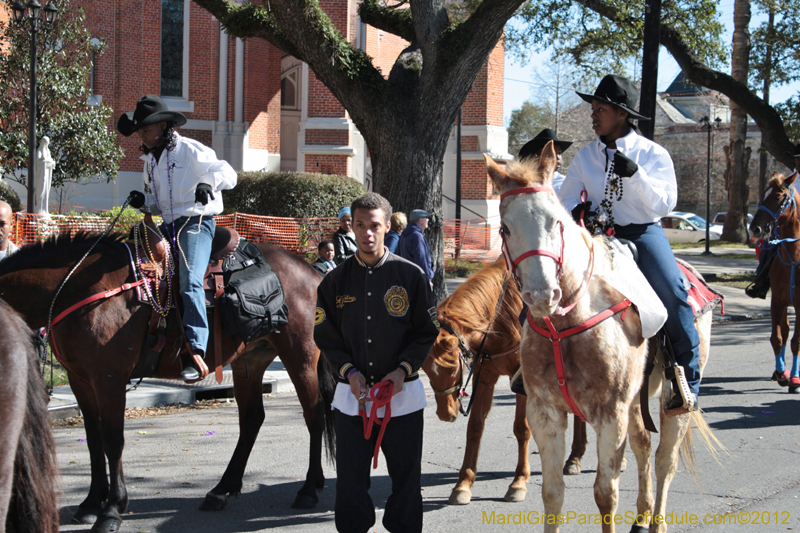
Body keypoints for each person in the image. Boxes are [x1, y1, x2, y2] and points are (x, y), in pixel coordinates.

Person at [559, 74, 701, 414]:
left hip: (641, 232)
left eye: (601, 109)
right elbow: (565, 199)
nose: (593, 115)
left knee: (674, 294)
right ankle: (531, 364)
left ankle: (687, 381)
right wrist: (576, 209)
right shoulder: (585, 157)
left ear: (622, 114)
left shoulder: (653, 154)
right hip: (596, 236)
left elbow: (664, 205)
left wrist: (636, 176)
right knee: (550, 283)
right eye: (593, 108)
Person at [314, 192, 438, 533]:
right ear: (351, 227)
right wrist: (350, 374)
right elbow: (325, 337)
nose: (367, 233)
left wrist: (402, 372)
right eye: (360, 226)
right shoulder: (334, 281)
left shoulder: (411, 277)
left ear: (386, 227)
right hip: (351, 402)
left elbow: (426, 333)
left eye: (374, 226)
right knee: (350, 485)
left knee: (407, 483)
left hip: (402, 399)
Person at [118, 95, 237, 382]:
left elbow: (229, 174)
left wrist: (209, 183)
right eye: (140, 131)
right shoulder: (149, 161)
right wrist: (142, 202)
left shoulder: (191, 149)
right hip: (168, 225)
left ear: (163, 127)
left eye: (146, 129)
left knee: (190, 281)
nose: (142, 135)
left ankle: (197, 351)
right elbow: (160, 204)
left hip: (197, 223)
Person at [746, 142, 800, 299]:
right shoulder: (789, 181)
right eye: (797, 159)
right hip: (787, 225)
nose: (799, 163)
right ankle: (761, 282)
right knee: (769, 247)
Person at [518, 128, 573, 193]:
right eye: (551, 153)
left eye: (559, 153)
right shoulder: (525, 183)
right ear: (536, 156)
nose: (557, 157)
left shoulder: (566, 183)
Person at [397, 209, 434, 287]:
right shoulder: (417, 236)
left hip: (408, 279)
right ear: (420, 220)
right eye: (426, 218)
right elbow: (421, 260)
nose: (427, 220)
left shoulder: (404, 235)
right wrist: (426, 280)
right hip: (418, 281)